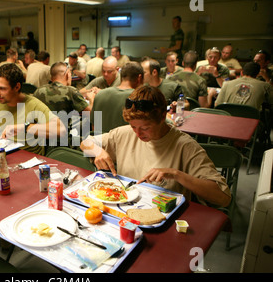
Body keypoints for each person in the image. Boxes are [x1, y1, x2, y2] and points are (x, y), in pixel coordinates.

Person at [81, 85, 231, 208]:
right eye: (133, 126)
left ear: (161, 119)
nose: (138, 134)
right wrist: (98, 151)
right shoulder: (124, 134)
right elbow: (85, 143)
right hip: (125, 210)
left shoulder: (185, 146)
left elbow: (223, 198)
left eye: (145, 128)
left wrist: (176, 174)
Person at [0, 63, 66, 155]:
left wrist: (25, 127)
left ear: (17, 87)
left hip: (29, 160)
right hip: (3, 156)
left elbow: (61, 130)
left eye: (2, 88)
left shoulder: (33, 104)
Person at [34, 62, 91, 129]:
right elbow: (91, 115)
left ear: (51, 77)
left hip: (41, 135)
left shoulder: (38, 91)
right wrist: (91, 99)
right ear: (67, 75)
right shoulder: (71, 91)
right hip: (62, 137)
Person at [90, 61, 144, 133]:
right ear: (139, 78)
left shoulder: (100, 95)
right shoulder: (139, 98)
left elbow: (95, 127)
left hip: (101, 142)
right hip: (126, 143)